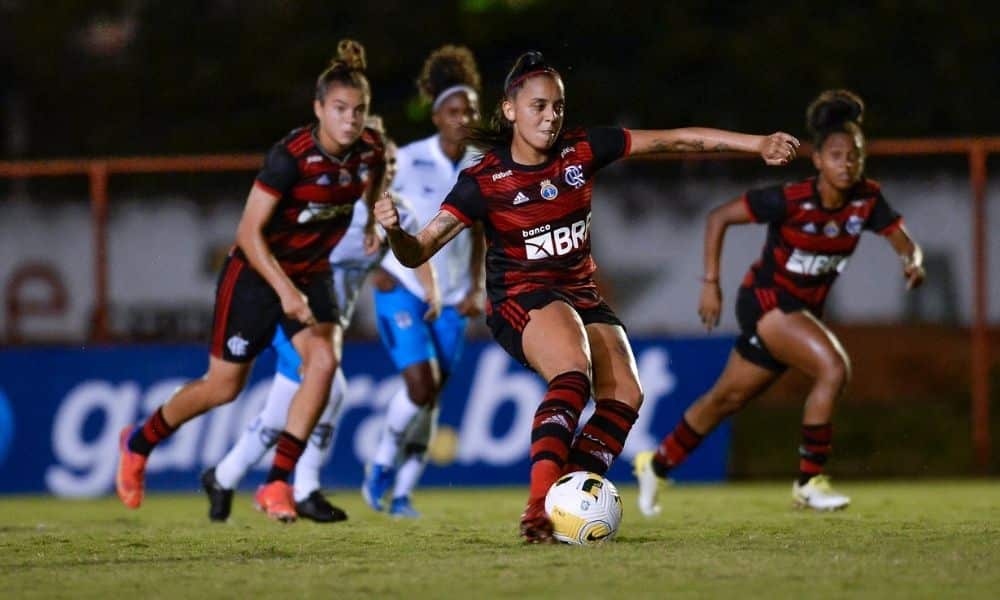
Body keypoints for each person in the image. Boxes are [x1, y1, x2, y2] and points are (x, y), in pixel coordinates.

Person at [373, 50, 799, 542]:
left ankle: (564, 502)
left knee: (626, 395)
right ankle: (538, 510)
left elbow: (675, 139)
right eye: (538, 106)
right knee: (573, 372)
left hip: (581, 292)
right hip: (521, 298)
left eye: (557, 106)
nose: (551, 117)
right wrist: (396, 233)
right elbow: (417, 250)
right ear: (510, 110)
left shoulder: (581, 150)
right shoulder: (483, 181)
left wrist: (758, 144)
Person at [115, 40, 387, 523]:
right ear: (319, 109)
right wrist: (285, 291)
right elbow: (247, 232)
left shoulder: (369, 150)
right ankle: (138, 443)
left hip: (310, 273)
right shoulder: (290, 158)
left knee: (323, 362)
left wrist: (368, 223)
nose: (350, 120)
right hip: (257, 275)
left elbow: (376, 175)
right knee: (223, 388)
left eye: (359, 110)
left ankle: (277, 483)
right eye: (340, 109)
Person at [634, 89, 926, 515]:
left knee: (726, 400)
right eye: (838, 154)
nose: (847, 163)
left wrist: (911, 262)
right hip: (767, 302)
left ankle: (656, 464)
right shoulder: (790, 199)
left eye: (855, 155)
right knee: (832, 367)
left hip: (799, 314)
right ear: (819, 160)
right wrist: (710, 283)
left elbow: (905, 243)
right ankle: (809, 483)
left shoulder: (866, 201)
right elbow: (719, 217)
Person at [201, 140, 427, 523]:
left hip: (326, 327)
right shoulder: (338, 210)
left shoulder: (395, 215)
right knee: (331, 390)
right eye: (379, 162)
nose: (386, 169)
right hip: (295, 319)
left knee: (280, 414)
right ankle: (303, 489)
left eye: (392, 162)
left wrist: (421, 287)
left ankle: (224, 476)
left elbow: (411, 257)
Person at [361, 45, 486, 518]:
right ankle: (379, 466)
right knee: (420, 386)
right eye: (454, 111)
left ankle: (405, 494)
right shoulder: (409, 160)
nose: (463, 118)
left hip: (452, 300)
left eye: (470, 110)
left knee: (432, 399)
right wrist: (377, 262)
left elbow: (480, 236)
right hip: (405, 289)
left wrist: (475, 289)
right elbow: (382, 215)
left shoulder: (482, 164)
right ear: (437, 116)